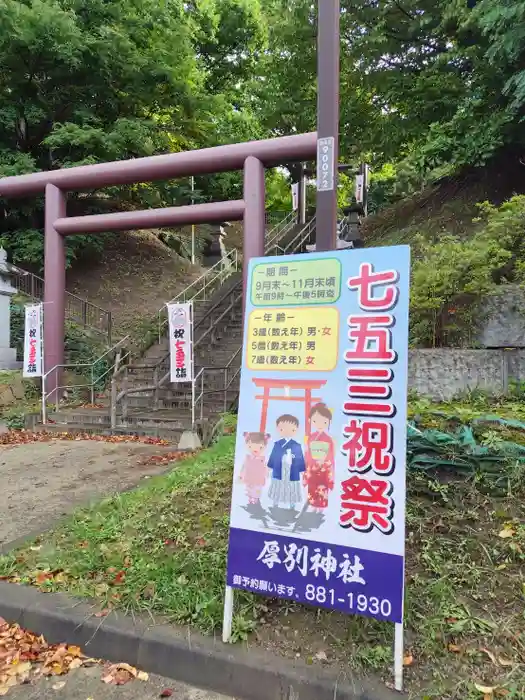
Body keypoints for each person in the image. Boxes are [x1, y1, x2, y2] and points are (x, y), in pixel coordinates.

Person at [267, 415, 305, 510]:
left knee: (292, 487)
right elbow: (273, 457)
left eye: (291, 429)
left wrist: (302, 470)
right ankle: (275, 504)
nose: (287, 431)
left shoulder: (297, 445)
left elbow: (300, 459)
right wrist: (269, 467)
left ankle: (292, 505)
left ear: (295, 429)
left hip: (292, 470)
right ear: (278, 429)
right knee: (278, 486)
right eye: (283, 429)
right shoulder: (277, 444)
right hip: (279, 469)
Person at [304, 403, 335, 512]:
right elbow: (307, 453)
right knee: (312, 490)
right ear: (311, 421)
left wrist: (330, 474)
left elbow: (331, 456)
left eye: (324, 421)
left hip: (324, 470)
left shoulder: (328, 439)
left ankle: (320, 512)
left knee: (322, 491)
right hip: (312, 469)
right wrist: (306, 469)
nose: (320, 424)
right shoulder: (311, 438)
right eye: (316, 421)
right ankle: (313, 509)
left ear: (328, 422)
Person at [239, 432, 270, 504]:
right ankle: (250, 498)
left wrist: (267, 473)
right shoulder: (248, 458)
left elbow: (265, 467)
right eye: (250, 447)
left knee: (257, 489)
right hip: (249, 476)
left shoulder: (263, 459)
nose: (255, 450)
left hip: (259, 477)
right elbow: (244, 466)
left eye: (260, 447)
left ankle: (255, 499)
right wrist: (241, 474)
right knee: (249, 488)